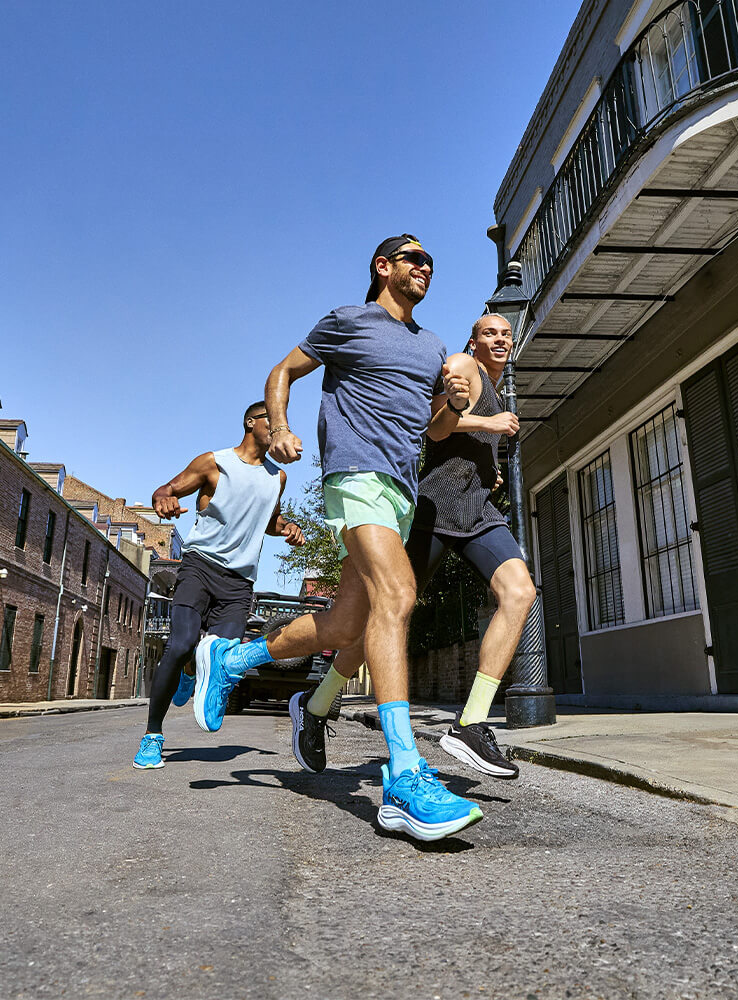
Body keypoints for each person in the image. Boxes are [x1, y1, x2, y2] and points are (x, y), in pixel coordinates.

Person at [193, 234, 484, 842]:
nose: (425, 266)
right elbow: (283, 370)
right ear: (384, 267)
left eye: (430, 261)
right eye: (413, 257)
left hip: (402, 489)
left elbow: (434, 429)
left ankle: (234, 658)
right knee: (397, 597)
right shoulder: (349, 320)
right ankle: (404, 776)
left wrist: (453, 401)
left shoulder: (431, 345)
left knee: (347, 624)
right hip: (356, 473)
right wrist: (278, 428)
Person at [296, 313, 536, 779]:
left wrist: (489, 467)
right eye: (491, 332)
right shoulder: (465, 365)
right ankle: (319, 703)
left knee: (520, 592)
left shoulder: (499, 384)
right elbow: (436, 427)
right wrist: (489, 421)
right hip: (435, 507)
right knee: (383, 615)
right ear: (475, 339)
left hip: (478, 510)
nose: (500, 339)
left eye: (506, 334)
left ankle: (470, 722)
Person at [132, 401, 304, 769]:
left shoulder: (279, 478)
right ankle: (152, 736)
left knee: (225, 657)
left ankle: (193, 671)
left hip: (240, 581)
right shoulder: (215, 462)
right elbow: (167, 489)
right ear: (250, 423)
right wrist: (163, 500)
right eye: (273, 424)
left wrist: (286, 527)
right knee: (179, 645)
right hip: (200, 567)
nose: (279, 431)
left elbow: (269, 520)